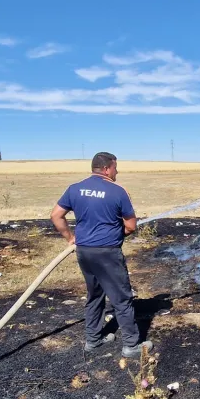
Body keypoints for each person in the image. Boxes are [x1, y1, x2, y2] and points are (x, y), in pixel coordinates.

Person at [50, 152, 152, 357]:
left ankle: (93, 340)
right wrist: (115, 233)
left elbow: (56, 215)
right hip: (108, 253)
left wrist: (70, 238)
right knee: (121, 298)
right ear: (106, 168)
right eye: (115, 167)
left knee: (94, 295)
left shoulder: (75, 188)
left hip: (84, 253)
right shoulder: (118, 191)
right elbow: (131, 226)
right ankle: (132, 345)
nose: (117, 171)